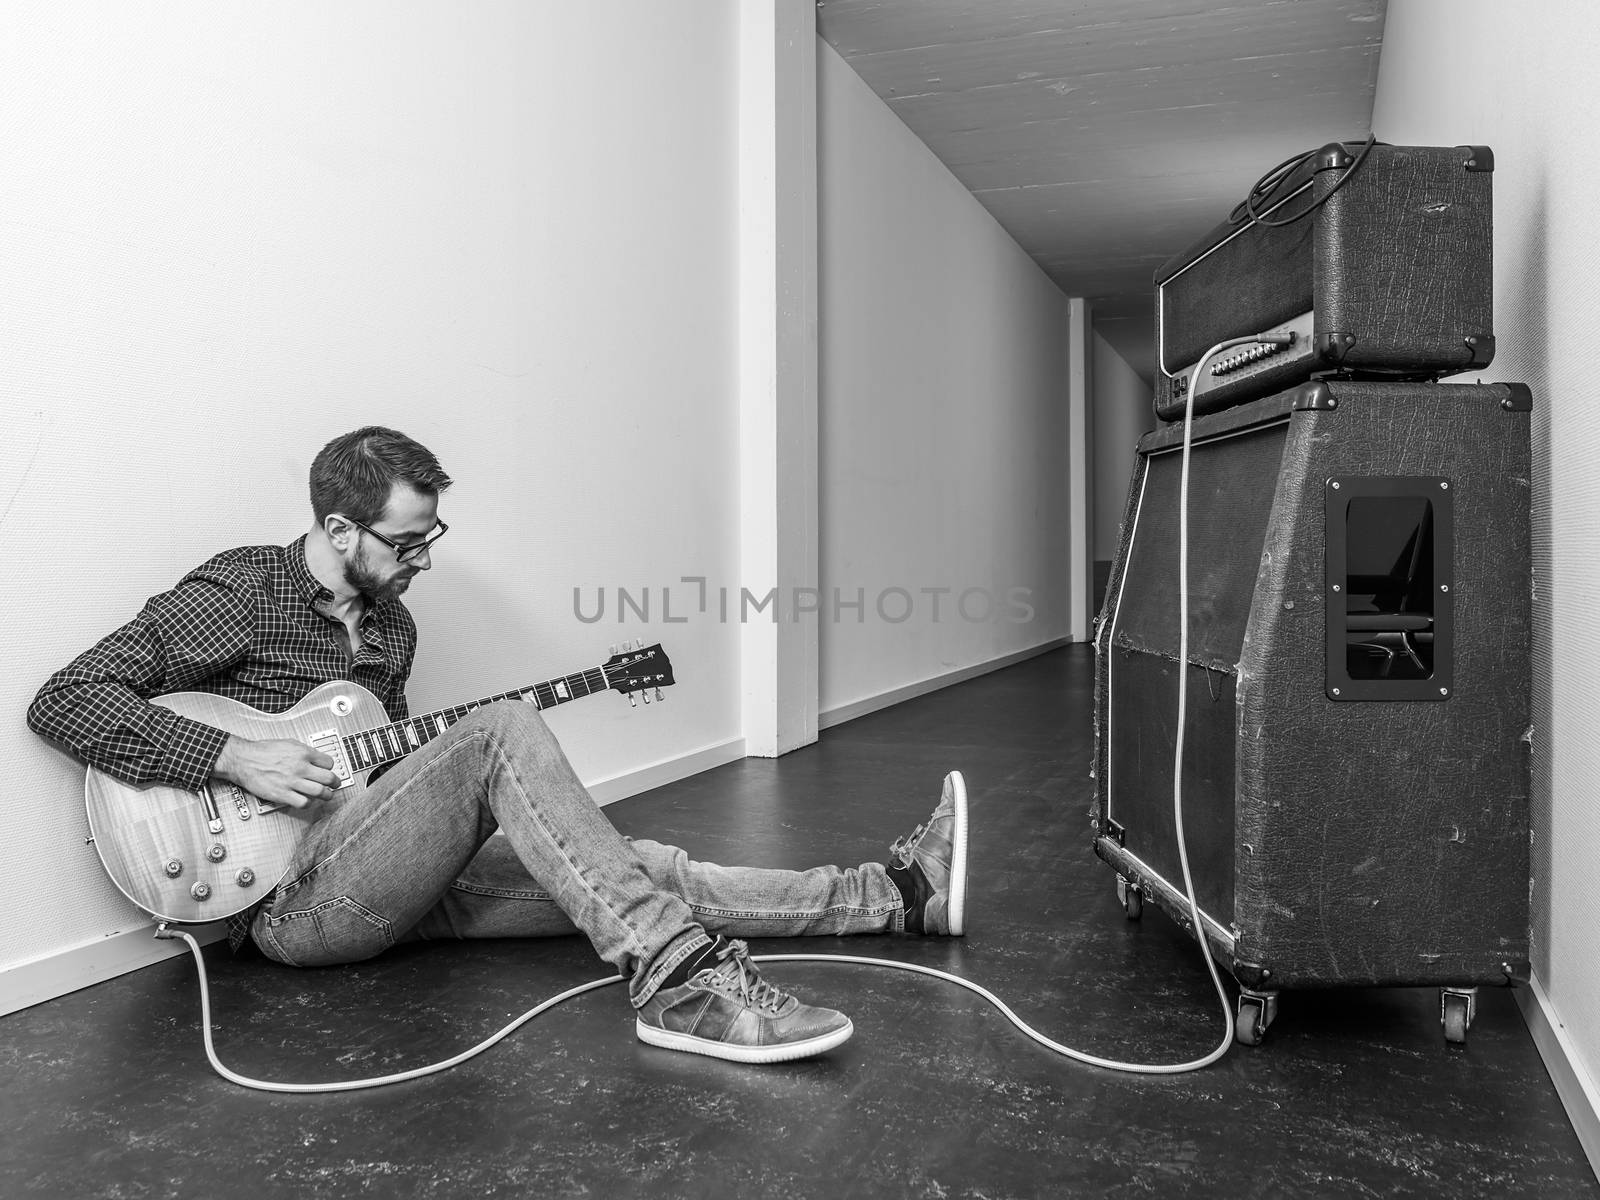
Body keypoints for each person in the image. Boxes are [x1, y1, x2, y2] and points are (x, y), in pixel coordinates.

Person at [28, 425, 969, 1066]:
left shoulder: (391, 633)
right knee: (505, 730)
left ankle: (894, 897)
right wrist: (233, 757)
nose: (424, 557)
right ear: (340, 527)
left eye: (432, 533)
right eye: (406, 540)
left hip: (373, 869)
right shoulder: (241, 592)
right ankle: (679, 986)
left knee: (624, 868)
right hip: (284, 911)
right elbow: (64, 697)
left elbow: (387, 784)